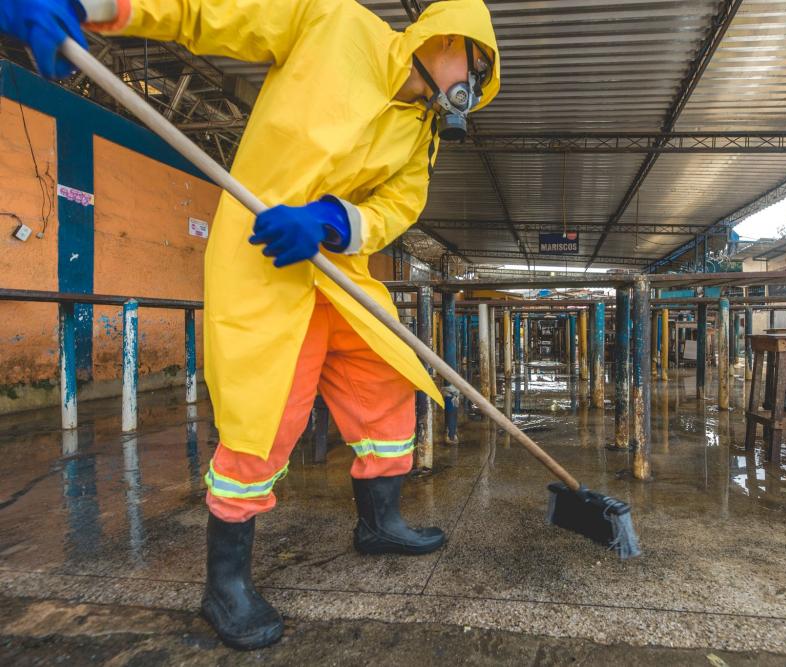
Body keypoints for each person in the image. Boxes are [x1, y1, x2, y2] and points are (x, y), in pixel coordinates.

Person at [0, 0, 500, 649]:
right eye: (478, 59)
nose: (479, 76)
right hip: (264, 258)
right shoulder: (334, 24)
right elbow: (207, 11)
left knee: (386, 379)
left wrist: (329, 219)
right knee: (264, 416)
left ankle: (381, 521)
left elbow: (397, 207)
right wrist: (92, 5)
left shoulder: (418, 133)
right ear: (444, 34)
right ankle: (226, 584)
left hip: (335, 269)